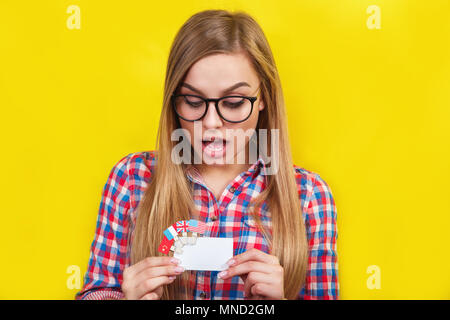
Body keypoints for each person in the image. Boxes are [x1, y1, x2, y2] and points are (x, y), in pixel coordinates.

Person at [75, 9, 338, 300]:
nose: (211, 122)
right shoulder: (132, 178)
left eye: (234, 102)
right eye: (193, 101)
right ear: (174, 100)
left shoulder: (309, 196)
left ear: (263, 98)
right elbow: (96, 290)